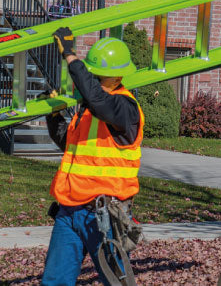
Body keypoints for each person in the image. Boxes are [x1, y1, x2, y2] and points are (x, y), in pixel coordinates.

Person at [41, 27, 144, 286]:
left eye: (96, 75)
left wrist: (70, 56)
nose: (91, 80)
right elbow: (69, 144)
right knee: (54, 281)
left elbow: (98, 100)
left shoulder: (125, 108)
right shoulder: (89, 110)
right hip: (70, 211)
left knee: (116, 281)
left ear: (114, 76)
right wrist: (53, 117)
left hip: (104, 215)